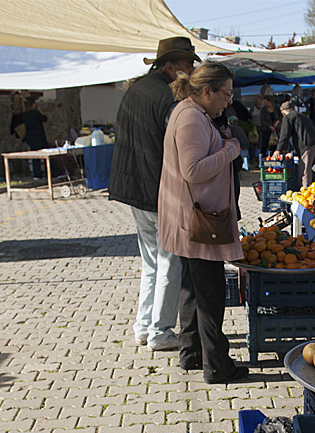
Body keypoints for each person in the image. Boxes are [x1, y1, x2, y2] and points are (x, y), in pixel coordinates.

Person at [157, 61, 249, 384]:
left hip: (190, 219)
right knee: (209, 294)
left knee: (193, 290)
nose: (228, 101)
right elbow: (193, 169)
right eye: (224, 94)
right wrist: (229, 150)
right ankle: (217, 366)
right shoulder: (191, 118)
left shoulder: (191, 112)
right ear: (206, 91)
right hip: (197, 222)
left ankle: (192, 353)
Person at [110, 36, 199, 351]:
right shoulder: (164, 96)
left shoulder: (136, 90)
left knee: (152, 261)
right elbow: (177, 145)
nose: (191, 69)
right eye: (188, 64)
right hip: (156, 189)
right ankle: (160, 332)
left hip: (135, 188)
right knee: (168, 261)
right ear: (171, 65)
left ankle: (144, 327)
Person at [276, 100, 315, 188]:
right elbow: (302, 134)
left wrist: (278, 149)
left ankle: (306, 194)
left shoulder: (288, 117)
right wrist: (294, 151)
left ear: (283, 112)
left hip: (307, 147)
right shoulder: (303, 116)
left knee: (305, 173)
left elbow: (285, 134)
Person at [20, 98, 49, 178]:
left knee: (35, 157)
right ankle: (50, 173)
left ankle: (37, 174)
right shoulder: (36, 113)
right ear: (33, 105)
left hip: (31, 137)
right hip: (39, 137)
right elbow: (44, 118)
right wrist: (39, 110)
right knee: (47, 155)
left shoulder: (25, 115)